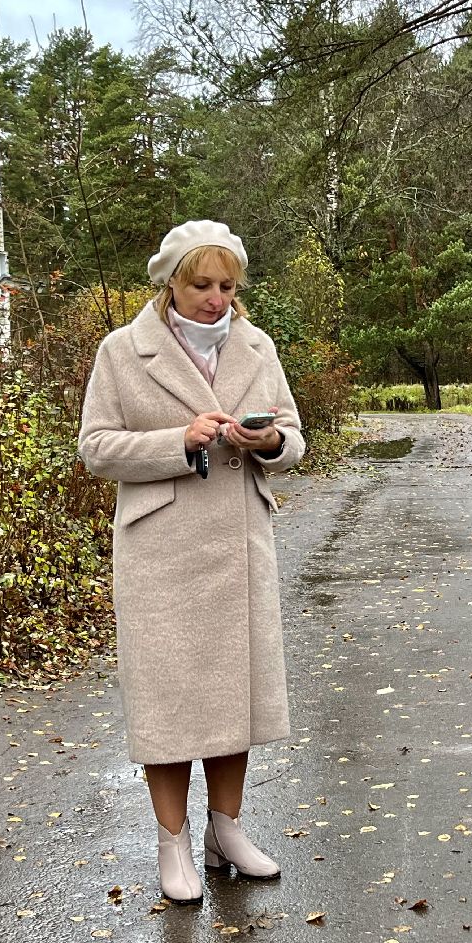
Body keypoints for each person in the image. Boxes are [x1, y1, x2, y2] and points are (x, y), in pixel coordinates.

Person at [79, 220, 306, 903]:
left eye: (228, 286)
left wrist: (266, 441)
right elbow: (96, 448)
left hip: (238, 541)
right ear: (170, 282)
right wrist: (178, 440)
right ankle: (171, 841)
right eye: (201, 284)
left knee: (237, 694)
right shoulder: (123, 351)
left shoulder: (258, 345)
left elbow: (294, 438)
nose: (216, 299)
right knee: (171, 701)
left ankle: (226, 829)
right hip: (160, 550)